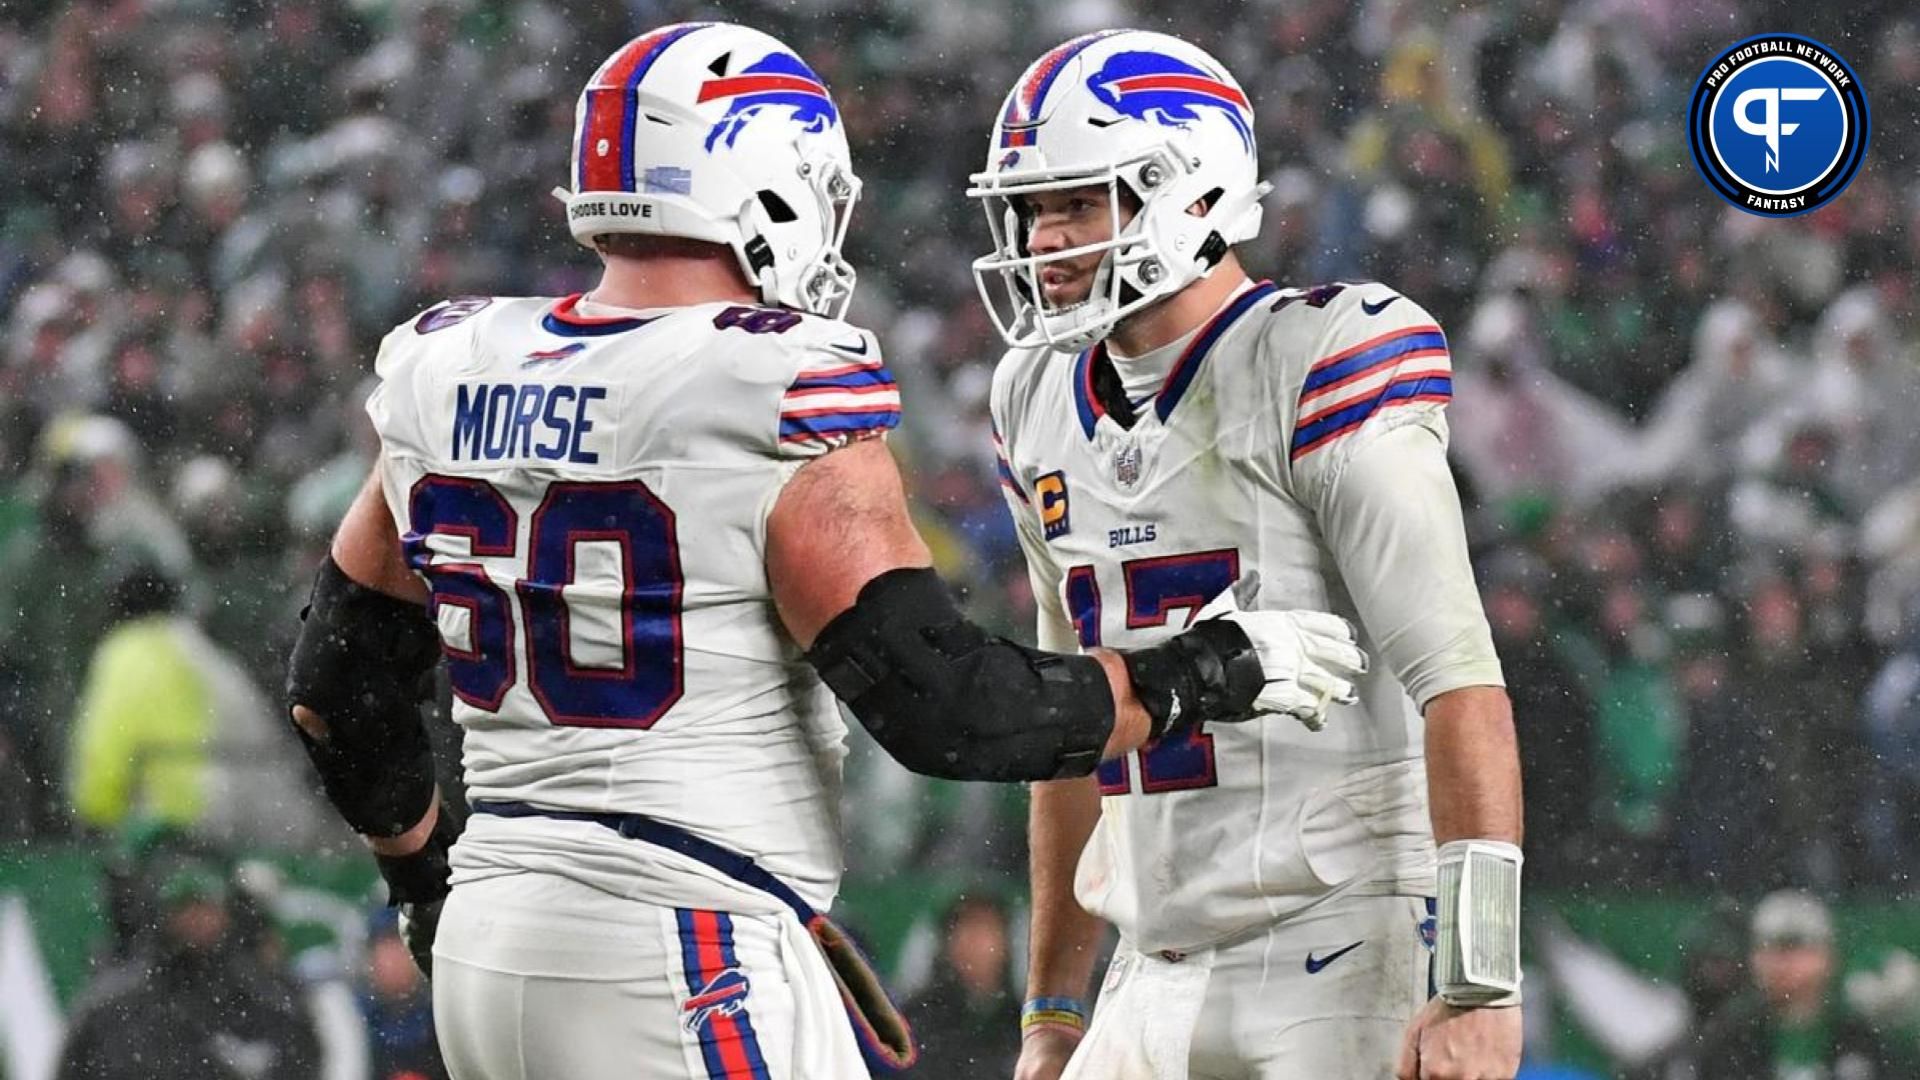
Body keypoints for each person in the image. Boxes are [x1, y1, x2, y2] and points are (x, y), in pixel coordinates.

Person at [283, 22, 1365, 1080]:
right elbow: (949, 708)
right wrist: (1200, 674)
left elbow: (337, 684)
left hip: (488, 938)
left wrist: (425, 878)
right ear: (768, 189)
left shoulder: (451, 362)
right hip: (685, 939)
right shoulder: (770, 380)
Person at [969, 30, 1524, 1080]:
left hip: (1339, 936)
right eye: (1034, 209)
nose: (1046, 239)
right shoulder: (1033, 395)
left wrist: (1481, 982)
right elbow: (1075, 725)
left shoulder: (1320, 354)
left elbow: (1461, 682)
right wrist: (1051, 1010)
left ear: (1192, 191)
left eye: (1079, 203)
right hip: (1149, 955)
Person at [1677, 890, 1893, 1079]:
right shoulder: (1727, 1038)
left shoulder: (1863, 1040)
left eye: (1793, 947)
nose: (1778, 962)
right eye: (1766, 947)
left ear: (1829, 956)